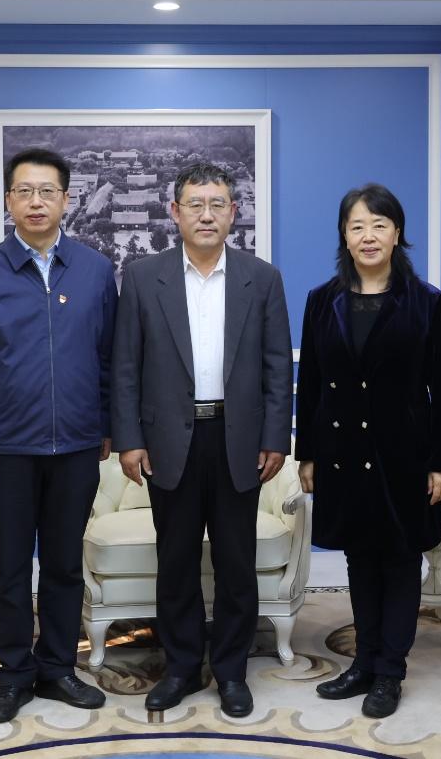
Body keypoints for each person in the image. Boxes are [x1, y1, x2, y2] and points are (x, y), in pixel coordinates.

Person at [112, 162, 293, 719]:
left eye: (217, 204)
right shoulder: (143, 277)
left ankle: (232, 671)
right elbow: (125, 366)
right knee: (177, 562)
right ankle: (183, 667)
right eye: (195, 204)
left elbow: (276, 367)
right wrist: (129, 440)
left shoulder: (262, 278)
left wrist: (276, 437)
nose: (207, 214)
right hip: (170, 441)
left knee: (236, 564)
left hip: (239, 439)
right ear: (175, 212)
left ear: (234, 213)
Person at [0, 147, 118, 723]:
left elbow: (109, 358)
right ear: (8, 201)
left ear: (66, 199)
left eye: (48, 191)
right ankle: (15, 673)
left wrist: (106, 427)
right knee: (11, 567)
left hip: (77, 444)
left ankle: (58, 669)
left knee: (66, 565)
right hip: (8, 450)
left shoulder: (95, 270)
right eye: (24, 191)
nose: (36, 201)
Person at [294, 184, 441, 719]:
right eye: (357, 226)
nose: (368, 236)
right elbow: (310, 384)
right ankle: (363, 663)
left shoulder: (427, 301)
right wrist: (307, 453)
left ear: (397, 233)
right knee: (359, 558)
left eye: (379, 225)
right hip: (341, 451)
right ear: (344, 235)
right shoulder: (322, 300)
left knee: (401, 560)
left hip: (404, 454)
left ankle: (390, 671)